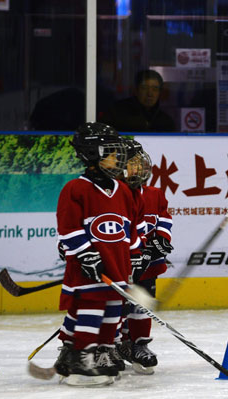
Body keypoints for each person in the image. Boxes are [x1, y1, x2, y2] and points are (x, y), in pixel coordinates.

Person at [54, 122, 143, 386]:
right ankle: (80, 357)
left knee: (114, 312)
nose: (119, 159)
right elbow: (67, 229)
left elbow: (130, 228)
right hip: (88, 269)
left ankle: (101, 354)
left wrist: (135, 254)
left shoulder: (123, 190)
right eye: (112, 153)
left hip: (116, 268)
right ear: (93, 153)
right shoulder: (75, 189)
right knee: (90, 310)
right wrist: (86, 254)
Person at [115, 138, 173, 375]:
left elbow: (165, 218)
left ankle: (139, 345)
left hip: (148, 265)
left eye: (140, 162)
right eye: (132, 163)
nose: (138, 168)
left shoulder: (154, 193)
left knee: (141, 305)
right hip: (120, 266)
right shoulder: (113, 195)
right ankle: (116, 344)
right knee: (117, 307)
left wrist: (162, 239)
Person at [100, 69, 176, 132]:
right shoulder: (116, 113)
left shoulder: (165, 121)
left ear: (160, 93)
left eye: (155, 89)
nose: (150, 93)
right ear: (136, 90)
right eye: (144, 88)